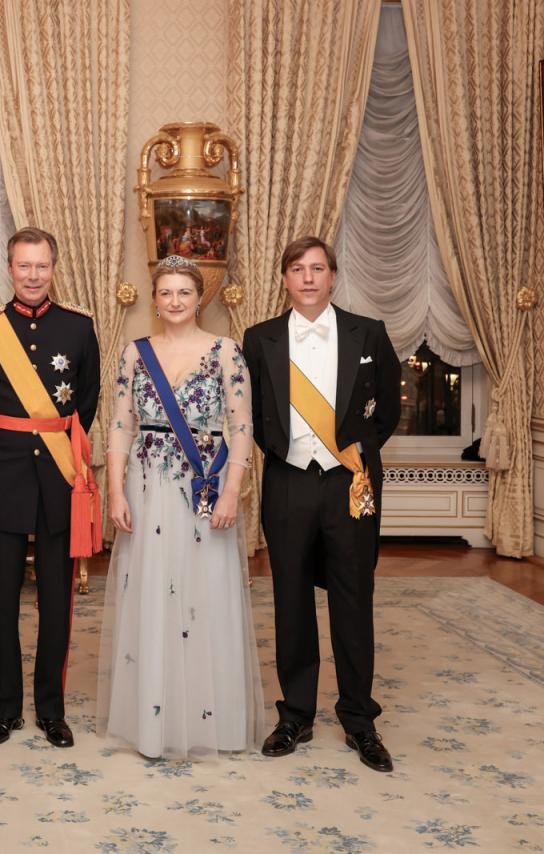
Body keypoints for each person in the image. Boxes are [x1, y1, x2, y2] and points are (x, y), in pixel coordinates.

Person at [242, 236, 401, 772]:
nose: (308, 278)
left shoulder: (369, 333)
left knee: (353, 600)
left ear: (333, 275)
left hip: (349, 483)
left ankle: (359, 720)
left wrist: (354, 456)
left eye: (317, 268)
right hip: (288, 484)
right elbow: (259, 413)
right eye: (297, 269)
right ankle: (296, 716)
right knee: (290, 601)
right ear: (284, 278)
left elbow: (387, 413)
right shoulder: (259, 337)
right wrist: (287, 454)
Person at [96, 255, 265, 759]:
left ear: (200, 298)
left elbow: (241, 428)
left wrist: (232, 491)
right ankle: (154, 721)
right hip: (148, 488)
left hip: (204, 488)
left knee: (203, 596)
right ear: (156, 298)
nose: (174, 302)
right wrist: (115, 490)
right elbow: (121, 423)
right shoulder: (135, 353)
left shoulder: (225, 352)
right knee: (153, 594)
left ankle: (208, 720)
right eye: (165, 293)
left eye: (184, 293)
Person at [0, 226, 101, 749]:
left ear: (53, 268)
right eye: (23, 266)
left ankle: (52, 710)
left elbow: (86, 403)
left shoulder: (79, 329)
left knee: (58, 603)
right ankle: (6, 709)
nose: (33, 275)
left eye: (42, 266)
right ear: (9, 268)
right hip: (3, 482)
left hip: (60, 482)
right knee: (2, 606)